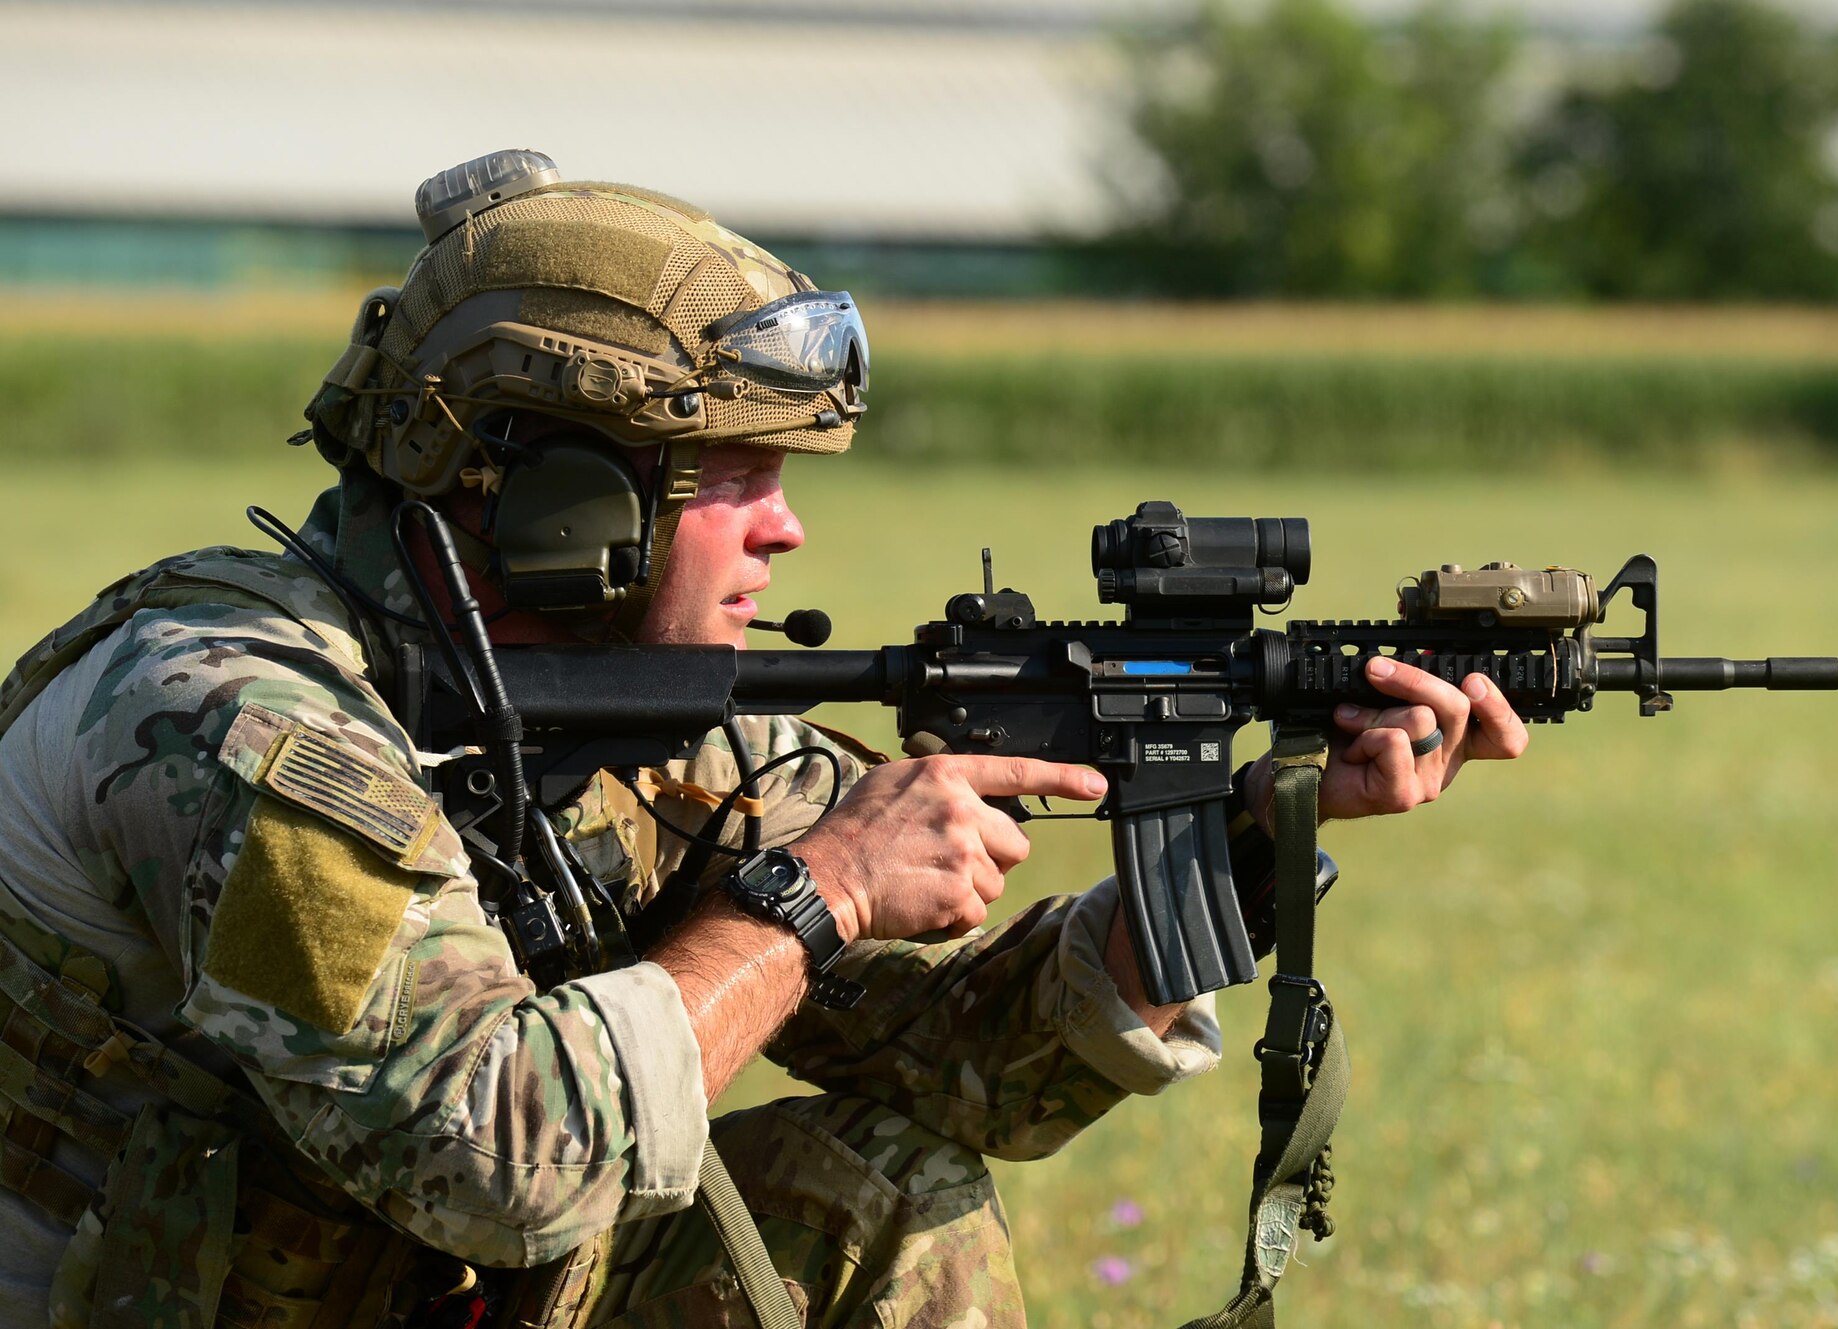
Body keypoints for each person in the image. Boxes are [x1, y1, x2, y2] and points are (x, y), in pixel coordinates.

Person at [0, 151, 1528, 1328]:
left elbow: (963, 1069)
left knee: (885, 1192)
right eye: (732, 468)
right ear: (556, 498)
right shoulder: (235, 718)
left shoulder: (655, 729)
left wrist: (1258, 841)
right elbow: (498, 1156)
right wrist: (812, 894)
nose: (784, 525)